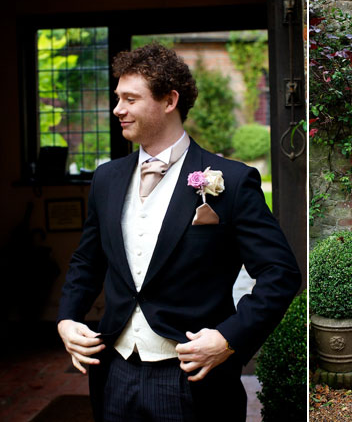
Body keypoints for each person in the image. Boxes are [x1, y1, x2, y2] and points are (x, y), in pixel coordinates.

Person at [57, 43, 302, 421]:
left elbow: (280, 273)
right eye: (117, 98)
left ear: (169, 101)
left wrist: (228, 338)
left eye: (129, 99)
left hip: (191, 378)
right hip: (115, 372)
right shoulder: (107, 178)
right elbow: (87, 261)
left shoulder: (232, 181)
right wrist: (67, 318)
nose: (117, 109)